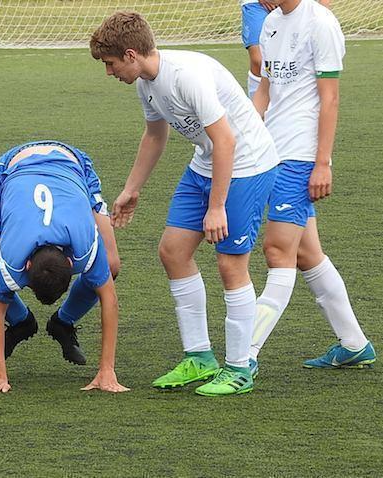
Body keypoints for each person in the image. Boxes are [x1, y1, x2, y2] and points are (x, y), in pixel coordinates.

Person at [90, 12, 279, 396]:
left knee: (229, 265)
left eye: (110, 64)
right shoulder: (146, 83)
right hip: (206, 164)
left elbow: (226, 141)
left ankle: (240, 367)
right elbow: (155, 136)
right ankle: (200, 358)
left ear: (130, 54)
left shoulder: (185, 76)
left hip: (247, 165)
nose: (109, 73)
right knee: (173, 251)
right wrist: (132, 188)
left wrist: (217, 206)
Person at [250, 0, 375, 375]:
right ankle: (354, 344)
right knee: (306, 254)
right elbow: (265, 92)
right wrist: (242, 134)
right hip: (271, 151)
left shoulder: (320, 23)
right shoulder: (271, 22)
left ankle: (244, 354)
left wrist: (322, 162)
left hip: (301, 156)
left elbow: (330, 97)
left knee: (277, 251)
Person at [0, 142, 128, 394]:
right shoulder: (12, 257)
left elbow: (109, 298)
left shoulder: (85, 240)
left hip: (73, 166)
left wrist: (107, 371)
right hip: (11, 169)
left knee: (110, 265)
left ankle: (63, 323)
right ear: (27, 265)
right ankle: (21, 322)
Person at [242, 0, 331, 99]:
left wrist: (323, 11)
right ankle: (258, 109)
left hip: (297, 5)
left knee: (295, 60)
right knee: (260, 61)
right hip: (255, 3)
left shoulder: (322, 20)